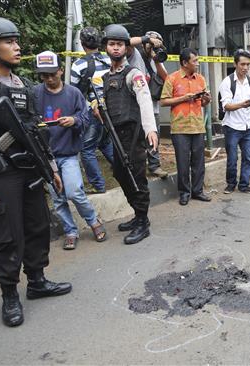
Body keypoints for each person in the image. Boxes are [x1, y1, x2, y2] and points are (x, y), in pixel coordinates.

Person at [0, 17, 72, 327]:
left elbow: (36, 131)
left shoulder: (22, 85)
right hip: (0, 173)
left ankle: (37, 281)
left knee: (37, 227)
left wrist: (51, 167)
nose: (17, 47)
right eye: (9, 41)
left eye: (16, 41)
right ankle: (9, 295)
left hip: (30, 169)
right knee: (9, 236)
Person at [33, 51, 107, 250]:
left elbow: (85, 118)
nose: (49, 78)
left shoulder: (73, 93)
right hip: (47, 156)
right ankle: (70, 231)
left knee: (74, 191)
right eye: (44, 75)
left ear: (60, 70)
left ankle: (93, 221)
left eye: (52, 74)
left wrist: (74, 121)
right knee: (58, 199)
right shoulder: (35, 93)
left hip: (68, 154)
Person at [99, 24, 159, 244]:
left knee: (137, 178)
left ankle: (143, 221)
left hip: (133, 135)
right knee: (120, 174)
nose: (116, 48)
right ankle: (137, 213)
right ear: (106, 47)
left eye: (120, 44)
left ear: (126, 48)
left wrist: (150, 129)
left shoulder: (133, 74)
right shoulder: (106, 77)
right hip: (115, 135)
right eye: (112, 44)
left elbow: (145, 101)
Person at [159, 48, 212, 205]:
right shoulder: (172, 78)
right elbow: (163, 101)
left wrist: (207, 99)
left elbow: (203, 103)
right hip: (179, 128)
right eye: (194, 61)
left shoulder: (200, 79)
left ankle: (197, 191)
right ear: (184, 63)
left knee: (198, 162)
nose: (197, 63)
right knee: (183, 162)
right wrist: (183, 98)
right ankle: (184, 192)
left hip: (197, 126)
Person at [70, 26, 115, 194]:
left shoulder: (79, 65)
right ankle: (125, 172)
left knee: (87, 148)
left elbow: (73, 92)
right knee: (105, 142)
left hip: (93, 111)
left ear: (82, 44)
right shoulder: (109, 59)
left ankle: (98, 185)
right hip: (111, 108)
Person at [125, 31, 169, 179]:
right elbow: (126, 42)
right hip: (134, 105)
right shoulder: (135, 54)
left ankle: (154, 166)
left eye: (157, 44)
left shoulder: (158, 58)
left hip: (152, 106)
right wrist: (147, 40)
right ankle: (133, 167)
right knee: (134, 137)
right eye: (151, 44)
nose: (153, 47)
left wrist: (156, 59)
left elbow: (166, 79)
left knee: (153, 135)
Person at [220, 49, 250, 194]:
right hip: (232, 127)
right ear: (235, 64)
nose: (245, 68)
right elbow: (226, 106)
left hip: (248, 125)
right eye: (242, 64)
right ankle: (231, 184)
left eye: (248, 64)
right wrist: (241, 105)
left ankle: (244, 185)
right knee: (232, 159)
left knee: (248, 158)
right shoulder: (227, 82)